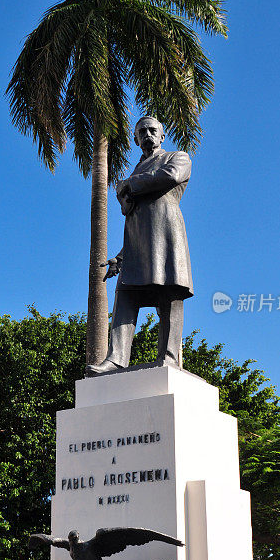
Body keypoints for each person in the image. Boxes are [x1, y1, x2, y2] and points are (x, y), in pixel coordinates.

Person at [87, 116, 193, 375]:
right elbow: (135, 218)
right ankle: (115, 359)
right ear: (136, 139)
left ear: (162, 135)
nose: (147, 134)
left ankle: (169, 357)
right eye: (142, 131)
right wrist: (120, 258)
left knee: (170, 296)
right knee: (125, 297)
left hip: (168, 235)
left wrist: (129, 185)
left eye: (152, 130)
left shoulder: (177, 157)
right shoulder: (136, 170)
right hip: (137, 246)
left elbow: (172, 176)